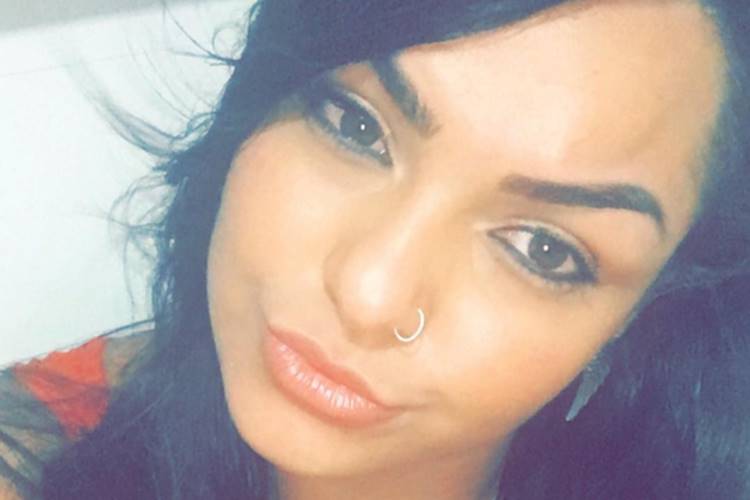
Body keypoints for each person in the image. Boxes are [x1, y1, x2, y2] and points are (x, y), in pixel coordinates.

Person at [2, 0, 749, 498]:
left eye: (542, 249)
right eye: (357, 126)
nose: (369, 293)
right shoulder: (34, 448)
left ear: (645, 306)